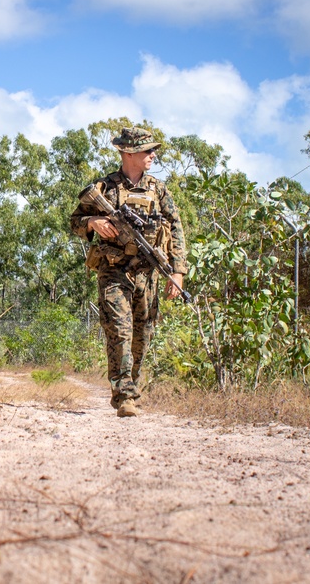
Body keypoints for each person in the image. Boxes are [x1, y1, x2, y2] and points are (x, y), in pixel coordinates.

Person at [70, 127, 188, 417]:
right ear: (128, 153)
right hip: (114, 270)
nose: (153, 155)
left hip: (148, 273)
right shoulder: (104, 188)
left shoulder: (159, 190)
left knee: (142, 335)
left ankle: (131, 386)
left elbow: (176, 229)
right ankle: (124, 396)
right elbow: (74, 221)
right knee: (119, 332)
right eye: (148, 150)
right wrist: (93, 222)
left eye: (152, 150)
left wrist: (178, 272)